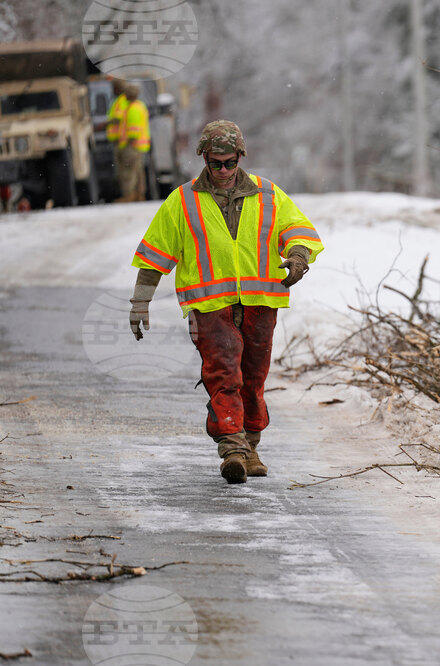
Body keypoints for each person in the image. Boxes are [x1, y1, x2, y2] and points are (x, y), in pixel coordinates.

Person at [127, 120, 323, 484]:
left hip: (260, 302)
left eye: (228, 163)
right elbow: (154, 257)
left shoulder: (268, 194)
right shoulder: (182, 201)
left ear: (239, 158)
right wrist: (140, 303)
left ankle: (251, 444)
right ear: (204, 158)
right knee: (223, 374)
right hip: (208, 307)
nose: (222, 171)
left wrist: (298, 258)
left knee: (253, 377)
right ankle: (232, 447)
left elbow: (298, 230)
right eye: (214, 163)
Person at [114, 84, 150, 203]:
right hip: (139, 145)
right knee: (138, 172)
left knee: (128, 172)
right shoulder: (140, 106)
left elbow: (134, 129)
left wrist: (129, 142)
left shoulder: (132, 108)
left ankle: (129, 196)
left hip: (132, 145)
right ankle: (139, 195)